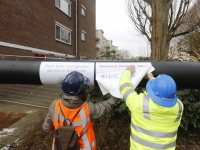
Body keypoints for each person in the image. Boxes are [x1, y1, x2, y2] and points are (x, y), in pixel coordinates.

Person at [43, 71, 117, 150]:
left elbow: (46, 128)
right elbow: (106, 106)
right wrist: (117, 93)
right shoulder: (88, 109)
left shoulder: (55, 105)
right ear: (81, 92)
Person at [119, 65, 184, 150]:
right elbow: (163, 94)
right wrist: (152, 79)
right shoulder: (179, 106)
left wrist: (127, 72)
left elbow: (124, 88)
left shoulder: (139, 104)